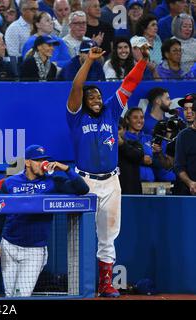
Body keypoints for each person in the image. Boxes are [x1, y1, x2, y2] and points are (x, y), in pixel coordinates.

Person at [66, 43, 149, 297]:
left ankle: (105, 283)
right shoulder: (77, 116)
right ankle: (78, 282)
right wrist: (89, 61)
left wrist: (142, 62)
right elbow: (76, 87)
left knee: (108, 235)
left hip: (111, 182)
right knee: (79, 235)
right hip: (85, 183)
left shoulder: (112, 112)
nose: (96, 99)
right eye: (91, 97)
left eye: (98, 97)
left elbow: (129, 84)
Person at [0, 144, 89, 297]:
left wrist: (66, 169)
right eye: (38, 160)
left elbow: (83, 189)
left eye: (44, 160)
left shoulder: (53, 182)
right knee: (9, 294)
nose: (43, 163)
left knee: (22, 295)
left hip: (34, 250)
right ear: (28, 162)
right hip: (9, 245)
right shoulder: (10, 183)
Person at [123, 108, 155, 182]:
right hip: (131, 182)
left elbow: (156, 160)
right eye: (135, 117)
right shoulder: (123, 138)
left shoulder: (149, 138)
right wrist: (141, 159)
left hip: (150, 182)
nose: (139, 121)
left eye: (142, 117)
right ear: (127, 120)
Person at [174, 94, 196, 195]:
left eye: (191, 108)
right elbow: (179, 166)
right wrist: (190, 183)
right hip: (188, 192)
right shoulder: (183, 136)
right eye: (185, 109)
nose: (189, 112)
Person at [118, 118, 144, 194]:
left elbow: (138, 156)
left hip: (131, 191)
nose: (115, 132)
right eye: (112, 128)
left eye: (118, 128)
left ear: (124, 130)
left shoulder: (134, 144)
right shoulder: (102, 147)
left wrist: (122, 144)